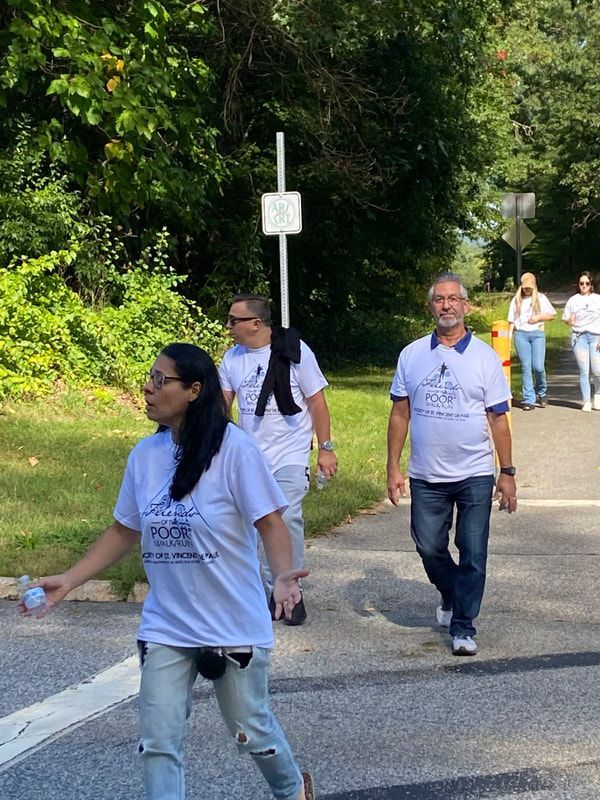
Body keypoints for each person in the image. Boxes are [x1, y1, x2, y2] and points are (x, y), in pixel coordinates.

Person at [20, 343, 316, 800]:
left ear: (194, 390)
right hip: (167, 624)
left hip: (232, 623)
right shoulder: (145, 456)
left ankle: (293, 790)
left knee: (252, 731)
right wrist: (70, 579)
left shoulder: (235, 450)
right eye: (150, 377)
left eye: (161, 380)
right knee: (158, 743)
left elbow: (271, 522)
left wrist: (281, 575)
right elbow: (125, 529)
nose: (148, 387)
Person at [386, 272, 517, 657]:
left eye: (453, 299)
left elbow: (498, 418)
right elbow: (399, 414)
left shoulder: (485, 357)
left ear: (465, 305)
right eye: (439, 299)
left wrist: (507, 472)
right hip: (426, 473)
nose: (446, 305)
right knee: (428, 547)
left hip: (474, 472)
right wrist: (393, 467)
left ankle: (463, 625)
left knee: (473, 550)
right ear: (431, 307)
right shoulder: (411, 355)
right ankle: (451, 591)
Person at [219, 294, 337, 626]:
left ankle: (289, 590)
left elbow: (317, 402)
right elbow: (222, 405)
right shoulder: (232, 359)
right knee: (254, 526)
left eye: (234, 320)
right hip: (249, 456)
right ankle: (266, 591)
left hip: (289, 453)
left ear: (256, 324)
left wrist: (325, 448)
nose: (228, 326)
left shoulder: (295, 353)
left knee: (288, 518)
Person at [507, 272, 556, 410]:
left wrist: (538, 318)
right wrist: (509, 339)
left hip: (537, 334)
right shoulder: (516, 300)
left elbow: (552, 315)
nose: (527, 289)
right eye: (525, 287)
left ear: (534, 286)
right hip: (521, 335)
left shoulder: (541, 298)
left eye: (529, 287)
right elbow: (511, 322)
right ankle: (529, 399)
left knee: (538, 367)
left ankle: (542, 391)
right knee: (526, 366)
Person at [562, 271, 600, 412]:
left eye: (587, 283)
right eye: (581, 283)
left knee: (597, 370)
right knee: (584, 370)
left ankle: (598, 395)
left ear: (591, 285)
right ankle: (586, 401)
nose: (584, 286)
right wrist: (569, 321)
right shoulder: (573, 300)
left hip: (596, 337)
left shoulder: (597, 299)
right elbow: (566, 319)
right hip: (579, 337)